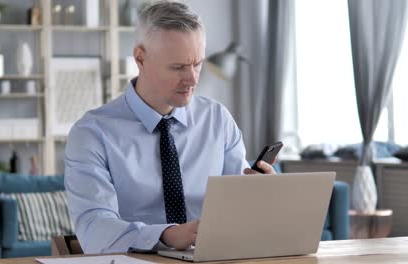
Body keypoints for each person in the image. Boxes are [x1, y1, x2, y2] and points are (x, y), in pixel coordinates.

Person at [64, 0, 276, 254]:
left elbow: (239, 212)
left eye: (197, 63)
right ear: (140, 58)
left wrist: (263, 196)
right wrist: (165, 235)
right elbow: (93, 229)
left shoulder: (218, 120)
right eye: (178, 67)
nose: (192, 79)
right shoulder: (91, 134)